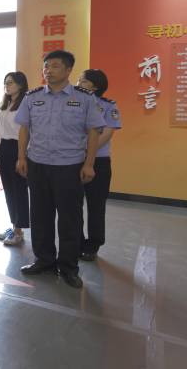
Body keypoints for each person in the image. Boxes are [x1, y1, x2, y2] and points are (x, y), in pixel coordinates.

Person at [16, 50, 105, 289]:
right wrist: (21, 157)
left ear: (68, 70)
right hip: (37, 164)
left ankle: (68, 267)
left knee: (70, 219)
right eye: (46, 66)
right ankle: (44, 260)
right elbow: (24, 129)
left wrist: (89, 164)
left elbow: (94, 132)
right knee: (40, 215)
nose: (48, 70)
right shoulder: (32, 97)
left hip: (70, 166)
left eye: (55, 66)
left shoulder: (85, 98)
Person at [77, 69, 121, 262]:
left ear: (95, 86)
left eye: (83, 81)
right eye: (78, 80)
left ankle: (93, 245)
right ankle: (76, 241)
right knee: (73, 205)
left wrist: (88, 151)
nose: (78, 84)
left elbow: (108, 133)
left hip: (98, 162)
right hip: (73, 160)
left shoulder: (108, 106)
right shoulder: (73, 104)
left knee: (96, 205)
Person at [0, 72, 30, 246]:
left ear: (21, 85)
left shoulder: (26, 103)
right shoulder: (6, 103)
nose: (7, 86)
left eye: (10, 83)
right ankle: (14, 225)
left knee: (19, 191)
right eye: (5, 83)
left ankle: (19, 231)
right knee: (8, 190)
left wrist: (22, 156)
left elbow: (28, 132)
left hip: (18, 148)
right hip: (3, 147)